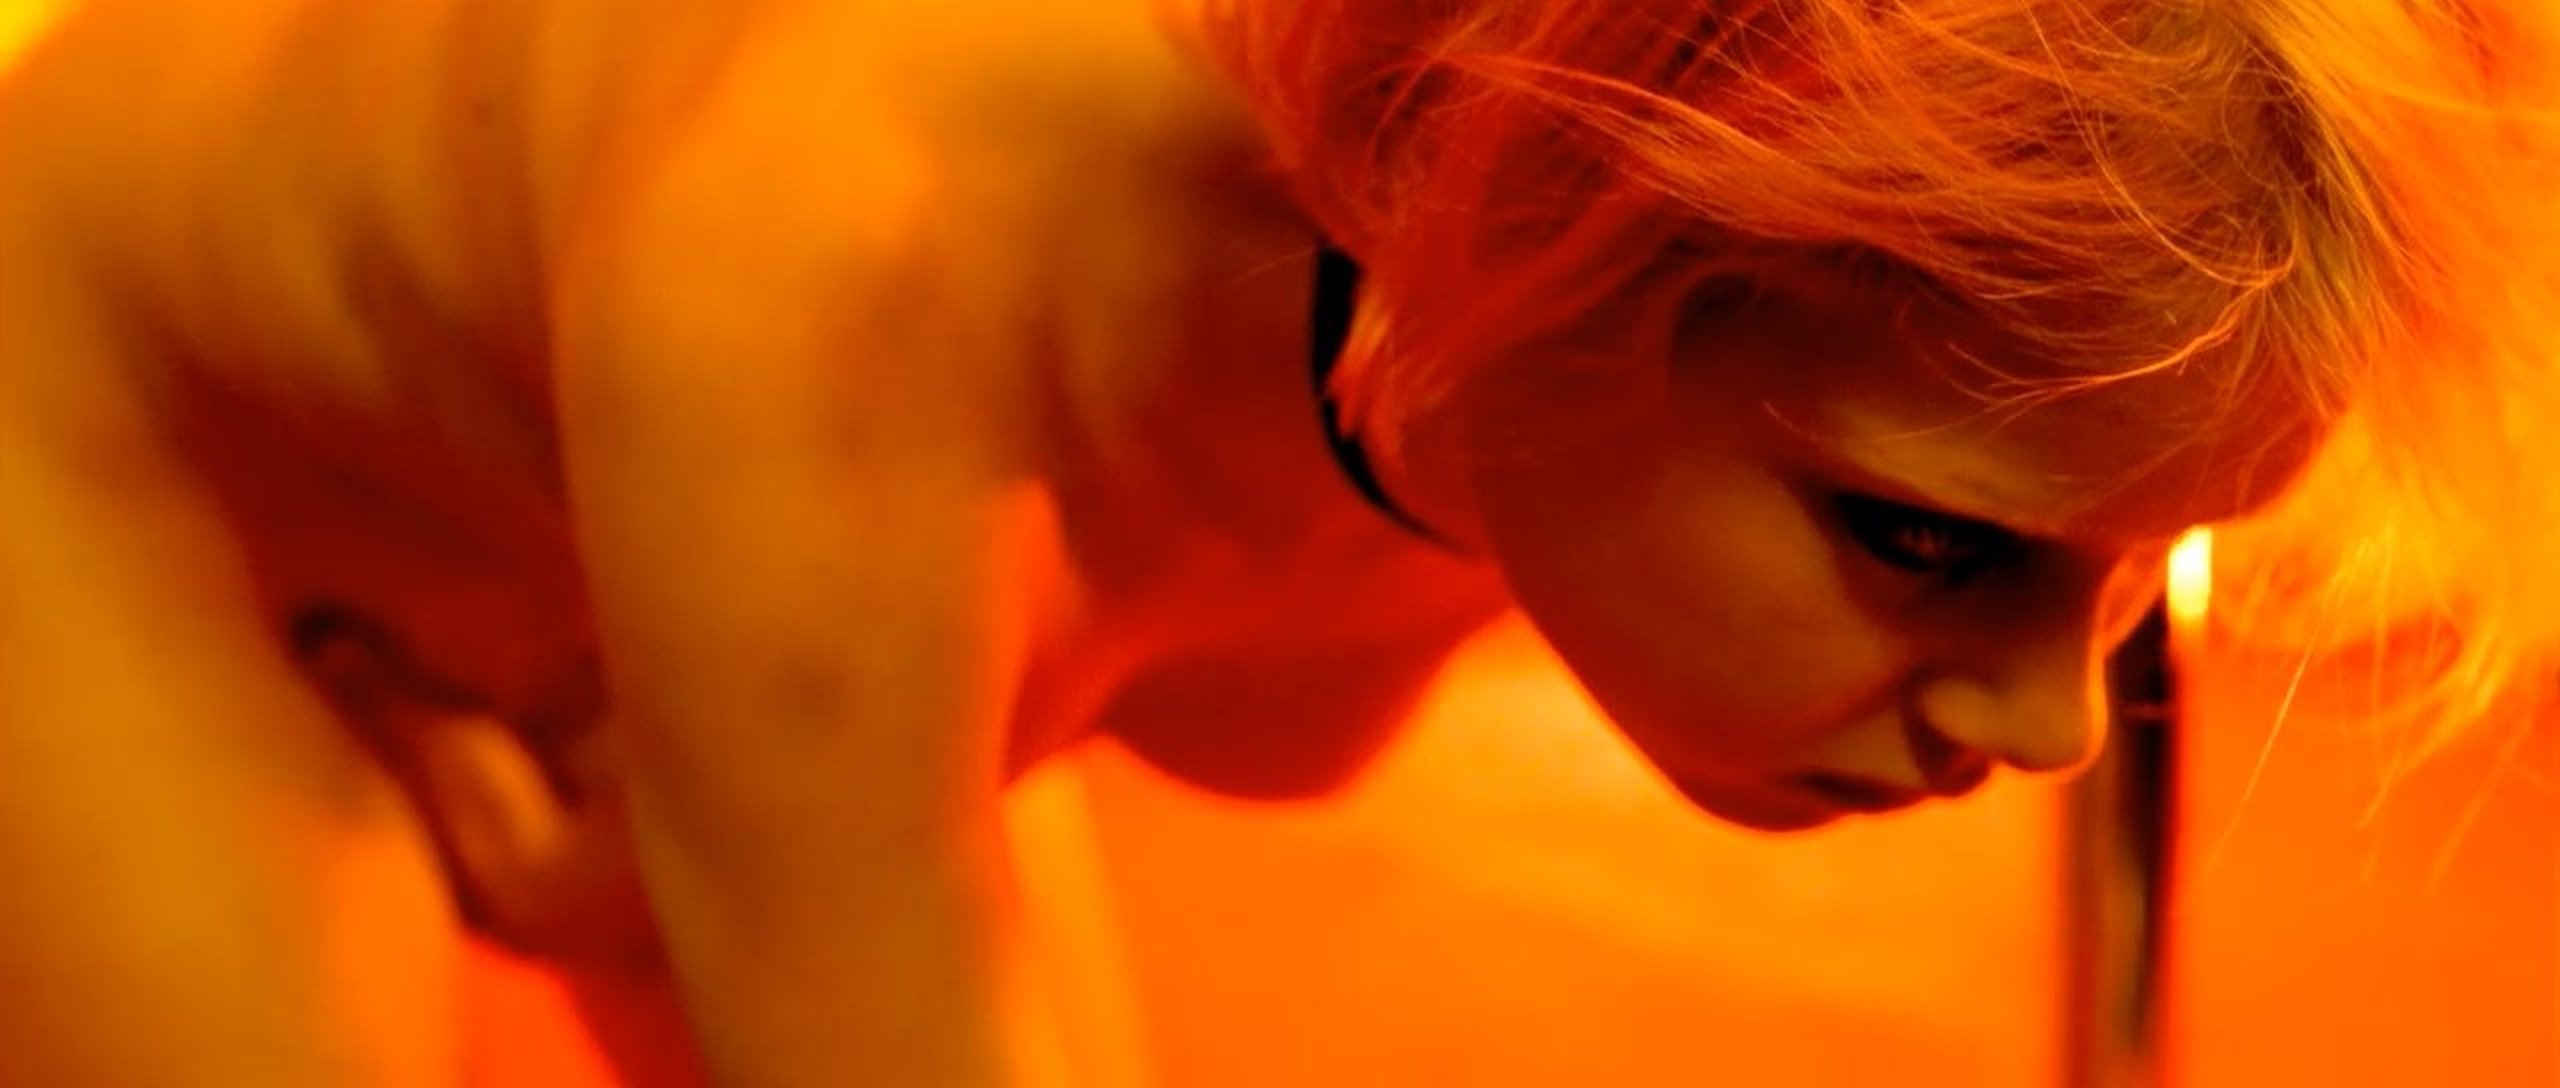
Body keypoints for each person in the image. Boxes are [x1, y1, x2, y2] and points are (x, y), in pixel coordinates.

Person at [2, 0, 2552, 1084]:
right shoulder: (864, 264)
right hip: (128, 426)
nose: (2043, 720)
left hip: (678, 507)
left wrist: (698, 845)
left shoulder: (1509, 260)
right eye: (1924, 541)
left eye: (2116, 575)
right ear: (1528, 218)